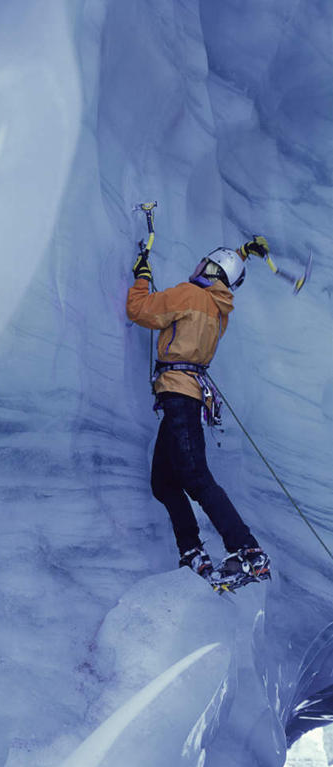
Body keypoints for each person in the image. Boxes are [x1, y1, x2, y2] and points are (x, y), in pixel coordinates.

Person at [126, 236, 271, 585]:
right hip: (186, 396)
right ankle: (192, 552)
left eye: (203, 263)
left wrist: (142, 275)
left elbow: (139, 309)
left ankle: (249, 552)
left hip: (179, 396)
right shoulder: (219, 311)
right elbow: (224, 274)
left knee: (195, 477)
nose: (196, 267)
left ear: (209, 269)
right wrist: (243, 254)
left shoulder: (188, 295)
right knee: (163, 483)